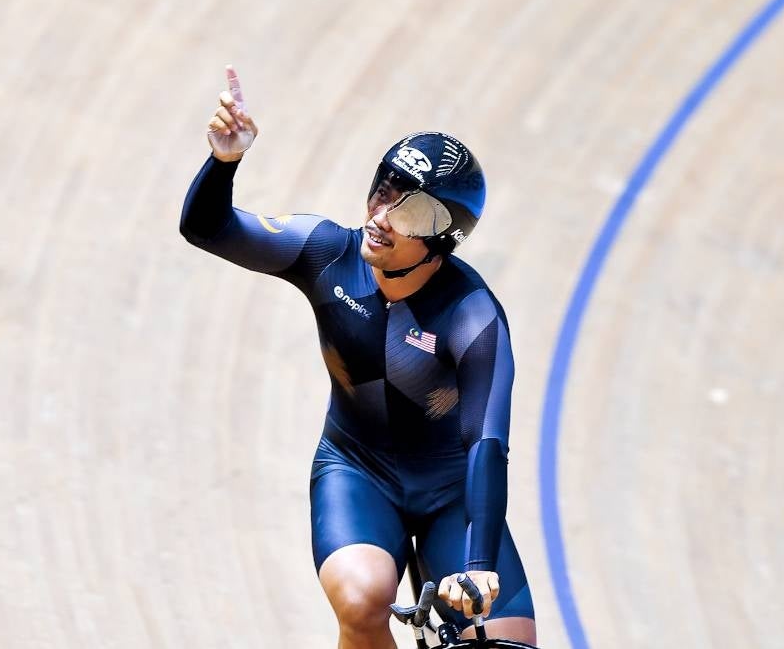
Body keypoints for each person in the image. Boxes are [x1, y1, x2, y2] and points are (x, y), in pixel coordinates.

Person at [180, 66, 537, 648]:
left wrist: (477, 565)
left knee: (503, 643)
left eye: (410, 212)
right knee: (362, 595)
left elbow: (486, 444)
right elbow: (206, 227)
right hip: (358, 470)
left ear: (444, 240)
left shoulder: (474, 318)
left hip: (452, 493)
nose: (381, 217)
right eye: (384, 190)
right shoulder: (326, 252)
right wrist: (224, 161)